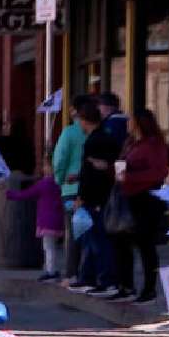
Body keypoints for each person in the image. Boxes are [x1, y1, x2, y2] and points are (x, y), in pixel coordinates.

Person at [108, 108, 169, 304]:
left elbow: (158, 173)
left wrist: (131, 177)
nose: (127, 123)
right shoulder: (131, 143)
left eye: (131, 120)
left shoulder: (153, 145)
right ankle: (125, 285)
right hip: (127, 196)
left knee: (145, 245)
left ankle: (149, 288)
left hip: (146, 199)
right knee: (121, 241)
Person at [69, 103, 120, 296]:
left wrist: (81, 197)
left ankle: (105, 280)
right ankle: (90, 277)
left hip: (96, 198)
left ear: (85, 120)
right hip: (103, 195)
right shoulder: (107, 138)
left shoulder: (94, 141)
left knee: (98, 240)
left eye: (79, 119)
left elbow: (93, 174)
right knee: (93, 239)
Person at [54, 95, 95, 281]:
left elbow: (60, 160)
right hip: (92, 188)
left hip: (71, 189)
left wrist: (60, 179)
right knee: (90, 232)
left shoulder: (69, 133)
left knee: (73, 234)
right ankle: (88, 274)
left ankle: (72, 273)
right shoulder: (96, 131)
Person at [7, 156, 65, 282]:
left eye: (45, 166)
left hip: (46, 221)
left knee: (48, 247)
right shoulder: (59, 183)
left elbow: (26, 194)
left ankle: (51, 271)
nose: (43, 168)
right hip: (58, 219)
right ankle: (52, 269)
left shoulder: (44, 184)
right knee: (53, 246)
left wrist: (9, 194)